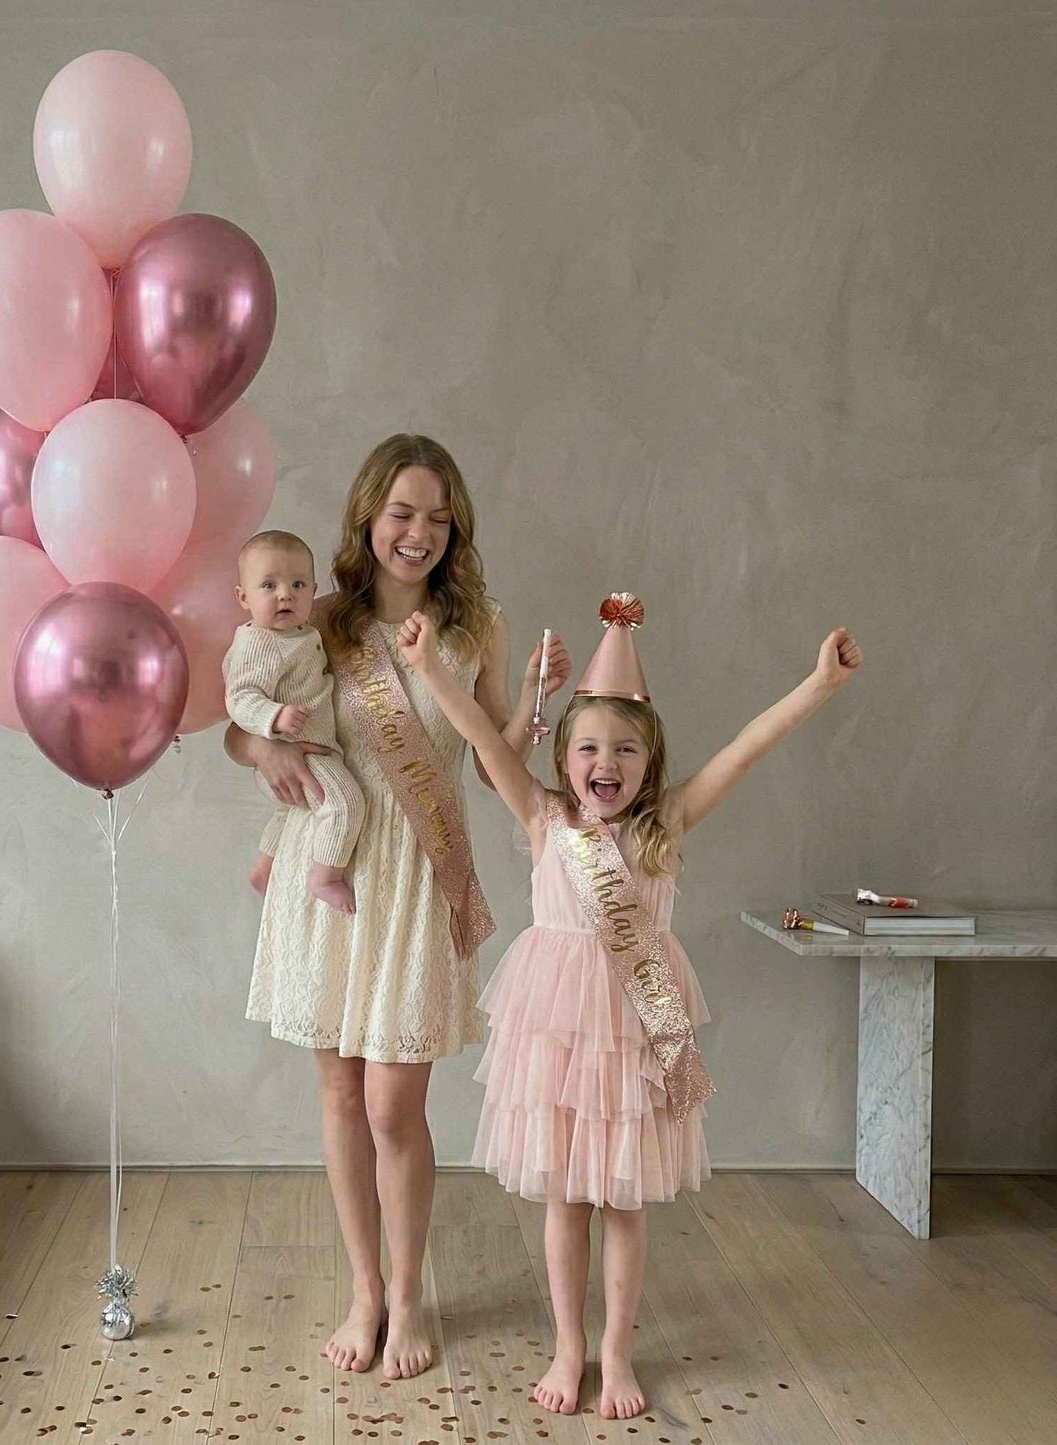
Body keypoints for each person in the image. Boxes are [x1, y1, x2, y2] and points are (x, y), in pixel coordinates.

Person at [397, 591, 861, 1419]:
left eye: (622, 750)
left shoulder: (668, 822)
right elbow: (474, 734)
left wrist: (817, 686)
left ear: (648, 763)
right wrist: (430, 667)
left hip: (641, 1033)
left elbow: (746, 748)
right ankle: (567, 1345)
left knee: (622, 1199)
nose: (602, 762)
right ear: (563, 756)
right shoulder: (542, 816)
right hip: (562, 1032)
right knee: (564, 1200)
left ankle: (615, 1351)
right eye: (585, 747)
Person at [225, 433, 572, 1379]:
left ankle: (411, 1291)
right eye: (400, 513)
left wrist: (537, 703)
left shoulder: (475, 627)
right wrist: (268, 753)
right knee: (339, 1091)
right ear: (367, 518)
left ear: (453, 528)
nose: (416, 532)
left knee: (391, 1103)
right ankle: (365, 1291)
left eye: (435, 515)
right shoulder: (319, 618)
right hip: (332, 872)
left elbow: (502, 760)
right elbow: (238, 724)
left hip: (419, 876)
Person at [223, 529, 366, 915]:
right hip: (301, 753)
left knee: (290, 811)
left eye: (298, 584)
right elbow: (239, 698)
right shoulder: (259, 643)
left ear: (314, 590)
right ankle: (325, 878)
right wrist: (274, 718)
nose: (285, 594)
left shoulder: (304, 632)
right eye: (269, 585)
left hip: (313, 750)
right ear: (243, 597)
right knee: (346, 803)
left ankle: (264, 868)